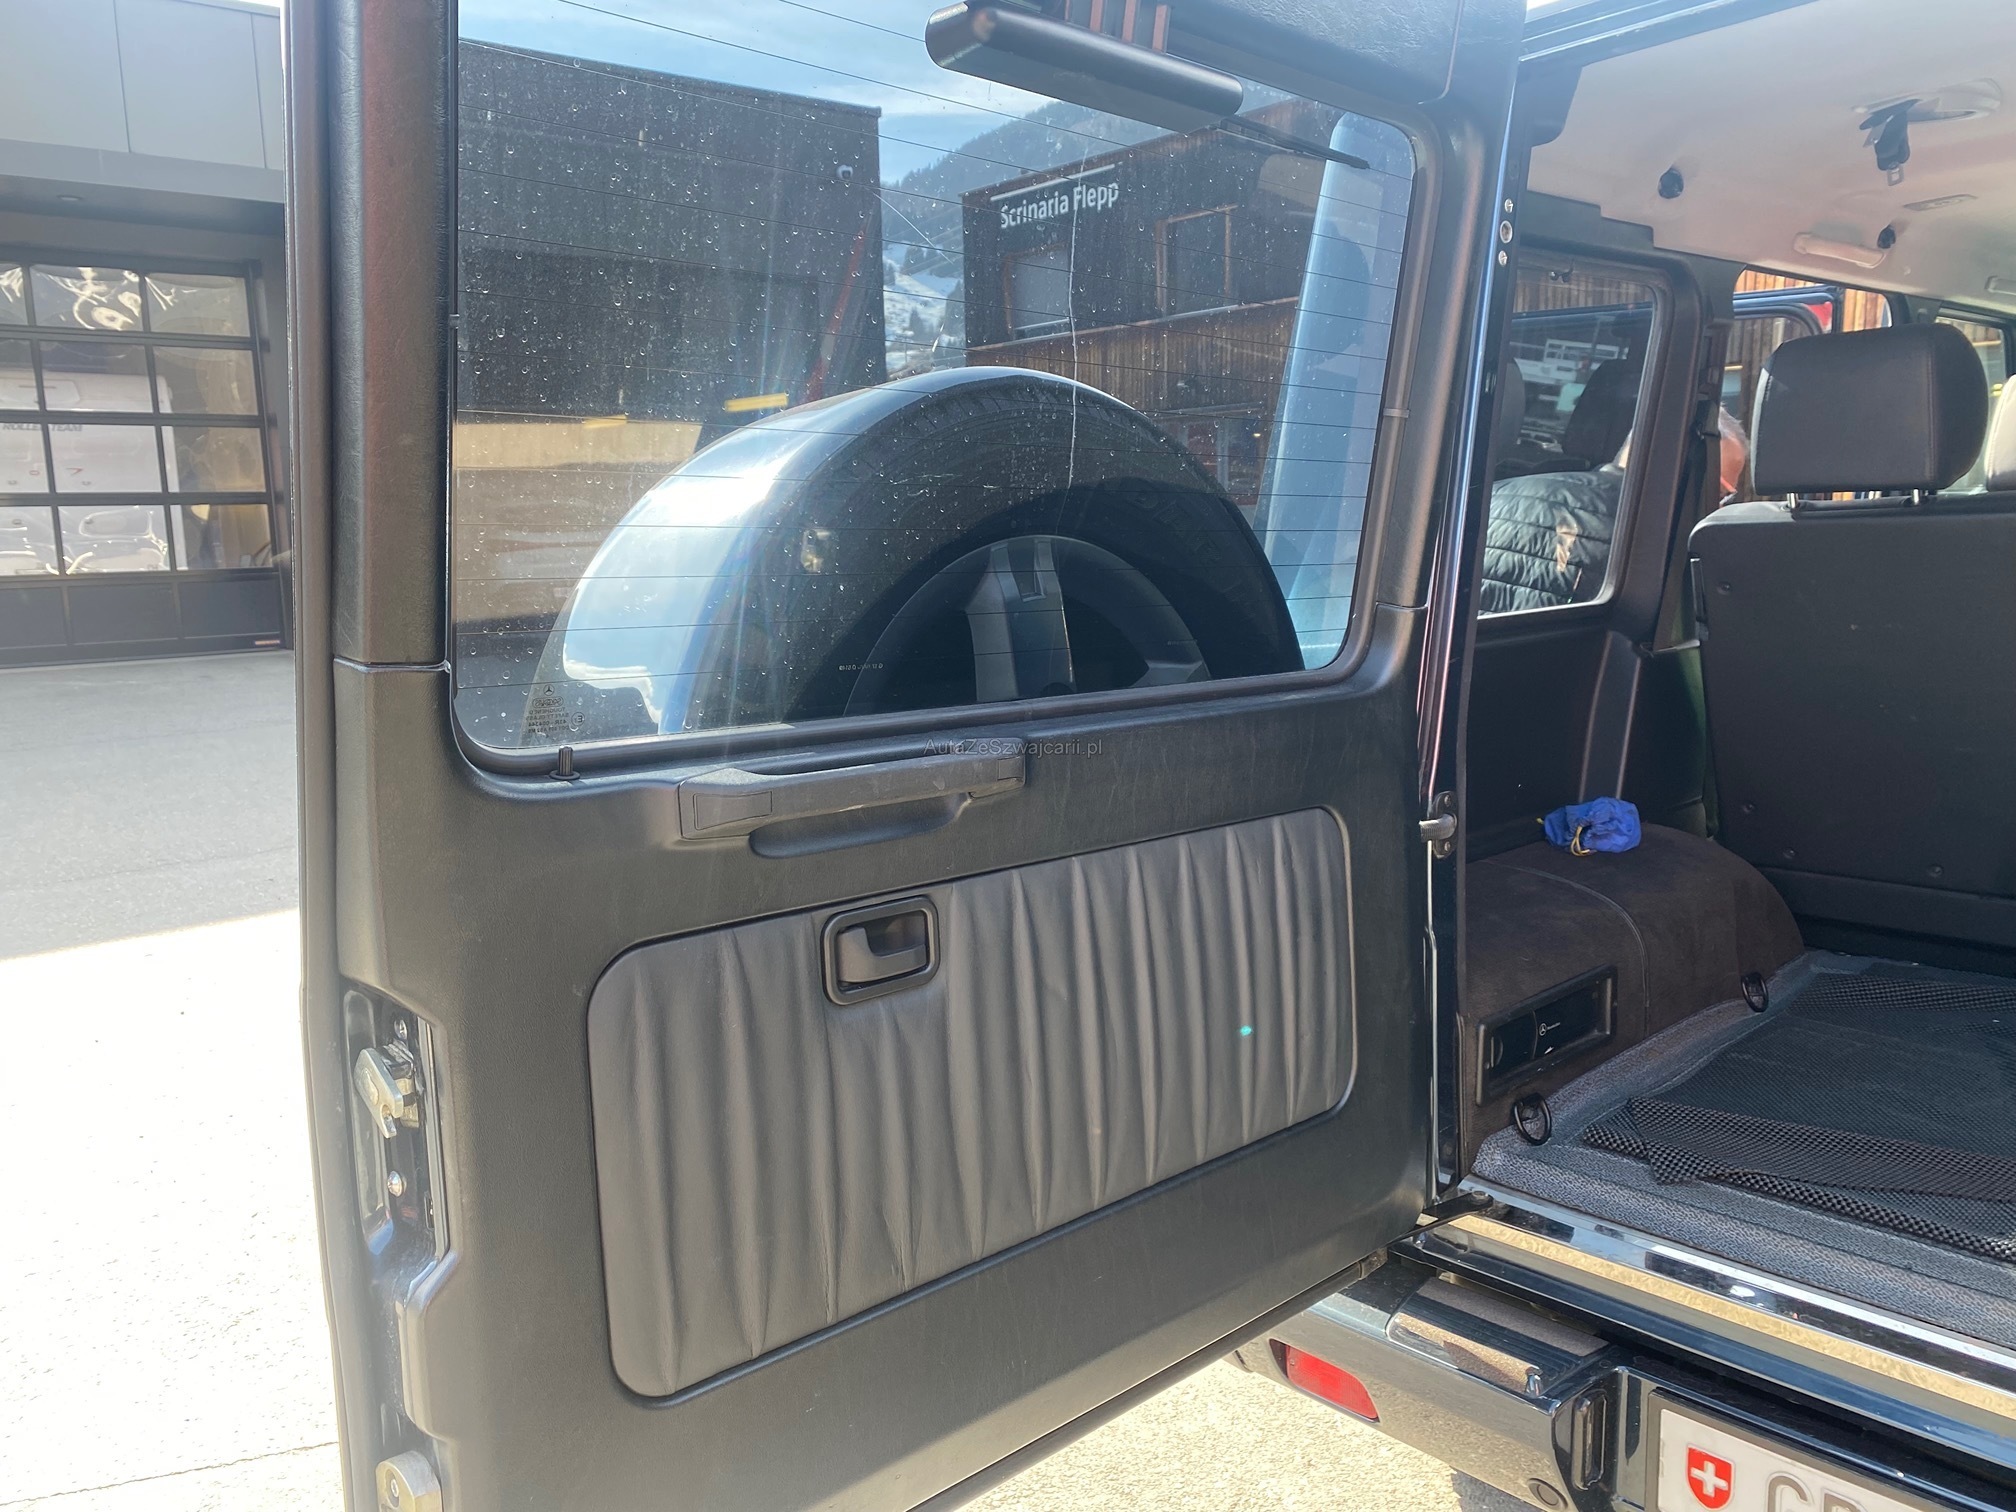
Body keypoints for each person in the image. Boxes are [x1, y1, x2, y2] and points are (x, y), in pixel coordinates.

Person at [1478, 407, 1748, 614]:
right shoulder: (1660, 549)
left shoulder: (1492, 496)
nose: (1717, 509)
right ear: (1680, 464)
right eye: (1720, 493)